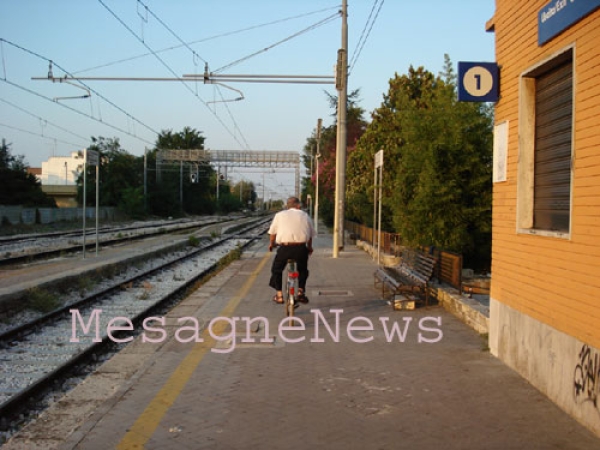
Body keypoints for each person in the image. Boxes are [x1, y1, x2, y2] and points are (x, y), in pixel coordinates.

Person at [268, 196, 315, 305]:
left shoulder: (279, 215)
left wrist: (272, 244)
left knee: (276, 270)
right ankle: (300, 291)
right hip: (300, 248)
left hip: (285, 248)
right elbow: (311, 235)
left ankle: (279, 295)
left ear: (287, 206)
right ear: (298, 206)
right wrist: (309, 247)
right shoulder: (305, 215)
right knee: (303, 270)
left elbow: (272, 234)